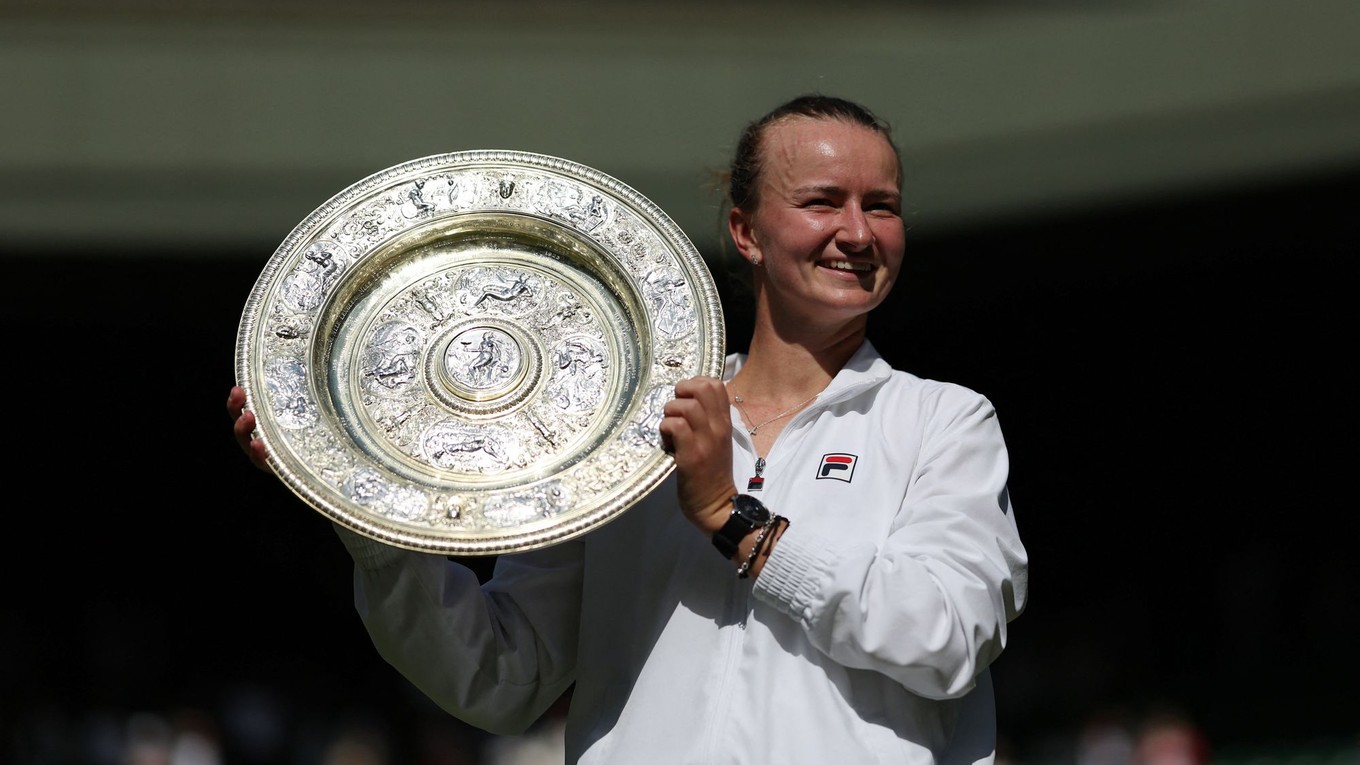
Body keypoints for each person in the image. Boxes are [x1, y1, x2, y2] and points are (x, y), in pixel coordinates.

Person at [228, 93, 1029, 764]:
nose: (858, 232)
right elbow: (500, 677)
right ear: (746, 230)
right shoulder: (622, 429)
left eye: (881, 206)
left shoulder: (942, 420)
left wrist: (735, 519)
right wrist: (360, 502)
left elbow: (950, 636)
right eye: (823, 200)